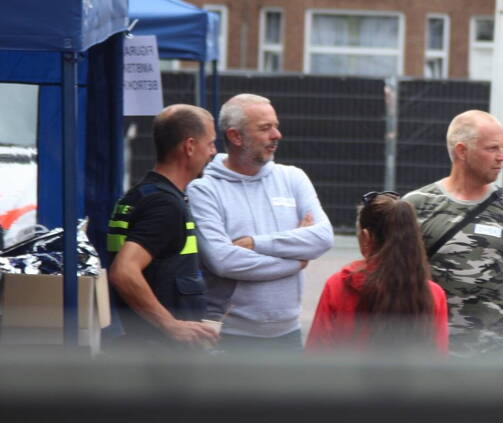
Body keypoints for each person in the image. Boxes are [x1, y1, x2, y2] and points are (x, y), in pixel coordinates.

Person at [188, 93, 333, 353]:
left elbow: (322, 238)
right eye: (265, 128)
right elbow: (223, 261)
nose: (277, 135)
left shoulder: (293, 178)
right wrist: (295, 260)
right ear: (235, 136)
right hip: (229, 338)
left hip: (288, 335)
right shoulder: (204, 189)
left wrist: (255, 243)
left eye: (275, 126)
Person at [403, 110, 503, 359]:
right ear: (462, 151)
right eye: (492, 148)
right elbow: (394, 282)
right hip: (428, 359)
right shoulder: (416, 206)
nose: (502, 158)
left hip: (492, 363)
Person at [108, 104, 221, 350]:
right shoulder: (165, 204)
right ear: (190, 146)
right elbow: (124, 271)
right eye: (210, 143)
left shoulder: (140, 195)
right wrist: (171, 325)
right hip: (160, 355)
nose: (213, 151)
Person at [305, 192, 448, 355]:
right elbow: (437, 360)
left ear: (366, 237)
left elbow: (317, 354)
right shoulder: (433, 295)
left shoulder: (338, 286)